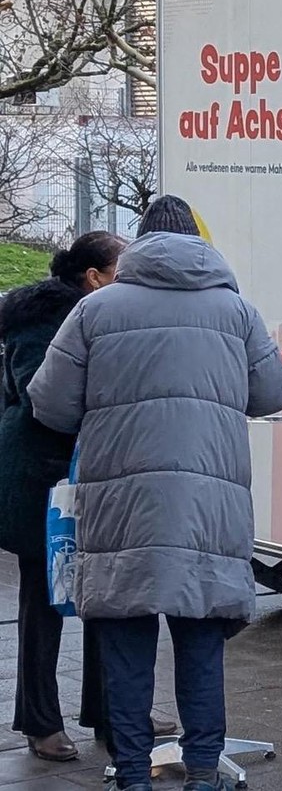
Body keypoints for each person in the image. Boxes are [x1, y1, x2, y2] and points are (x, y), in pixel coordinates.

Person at [28, 196, 282, 791]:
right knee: (201, 641)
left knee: (124, 643)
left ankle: (132, 775)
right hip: (208, 506)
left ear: (140, 242)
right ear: (199, 244)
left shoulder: (95, 309)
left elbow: (50, 402)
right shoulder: (236, 310)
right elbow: (274, 393)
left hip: (122, 503)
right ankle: (202, 773)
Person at [0, 232, 133, 762]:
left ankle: (108, 711)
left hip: (94, 469)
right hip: (40, 475)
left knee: (107, 592)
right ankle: (40, 721)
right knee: (44, 599)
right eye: (122, 269)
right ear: (92, 276)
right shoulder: (41, 319)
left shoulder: (106, 313)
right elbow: (39, 394)